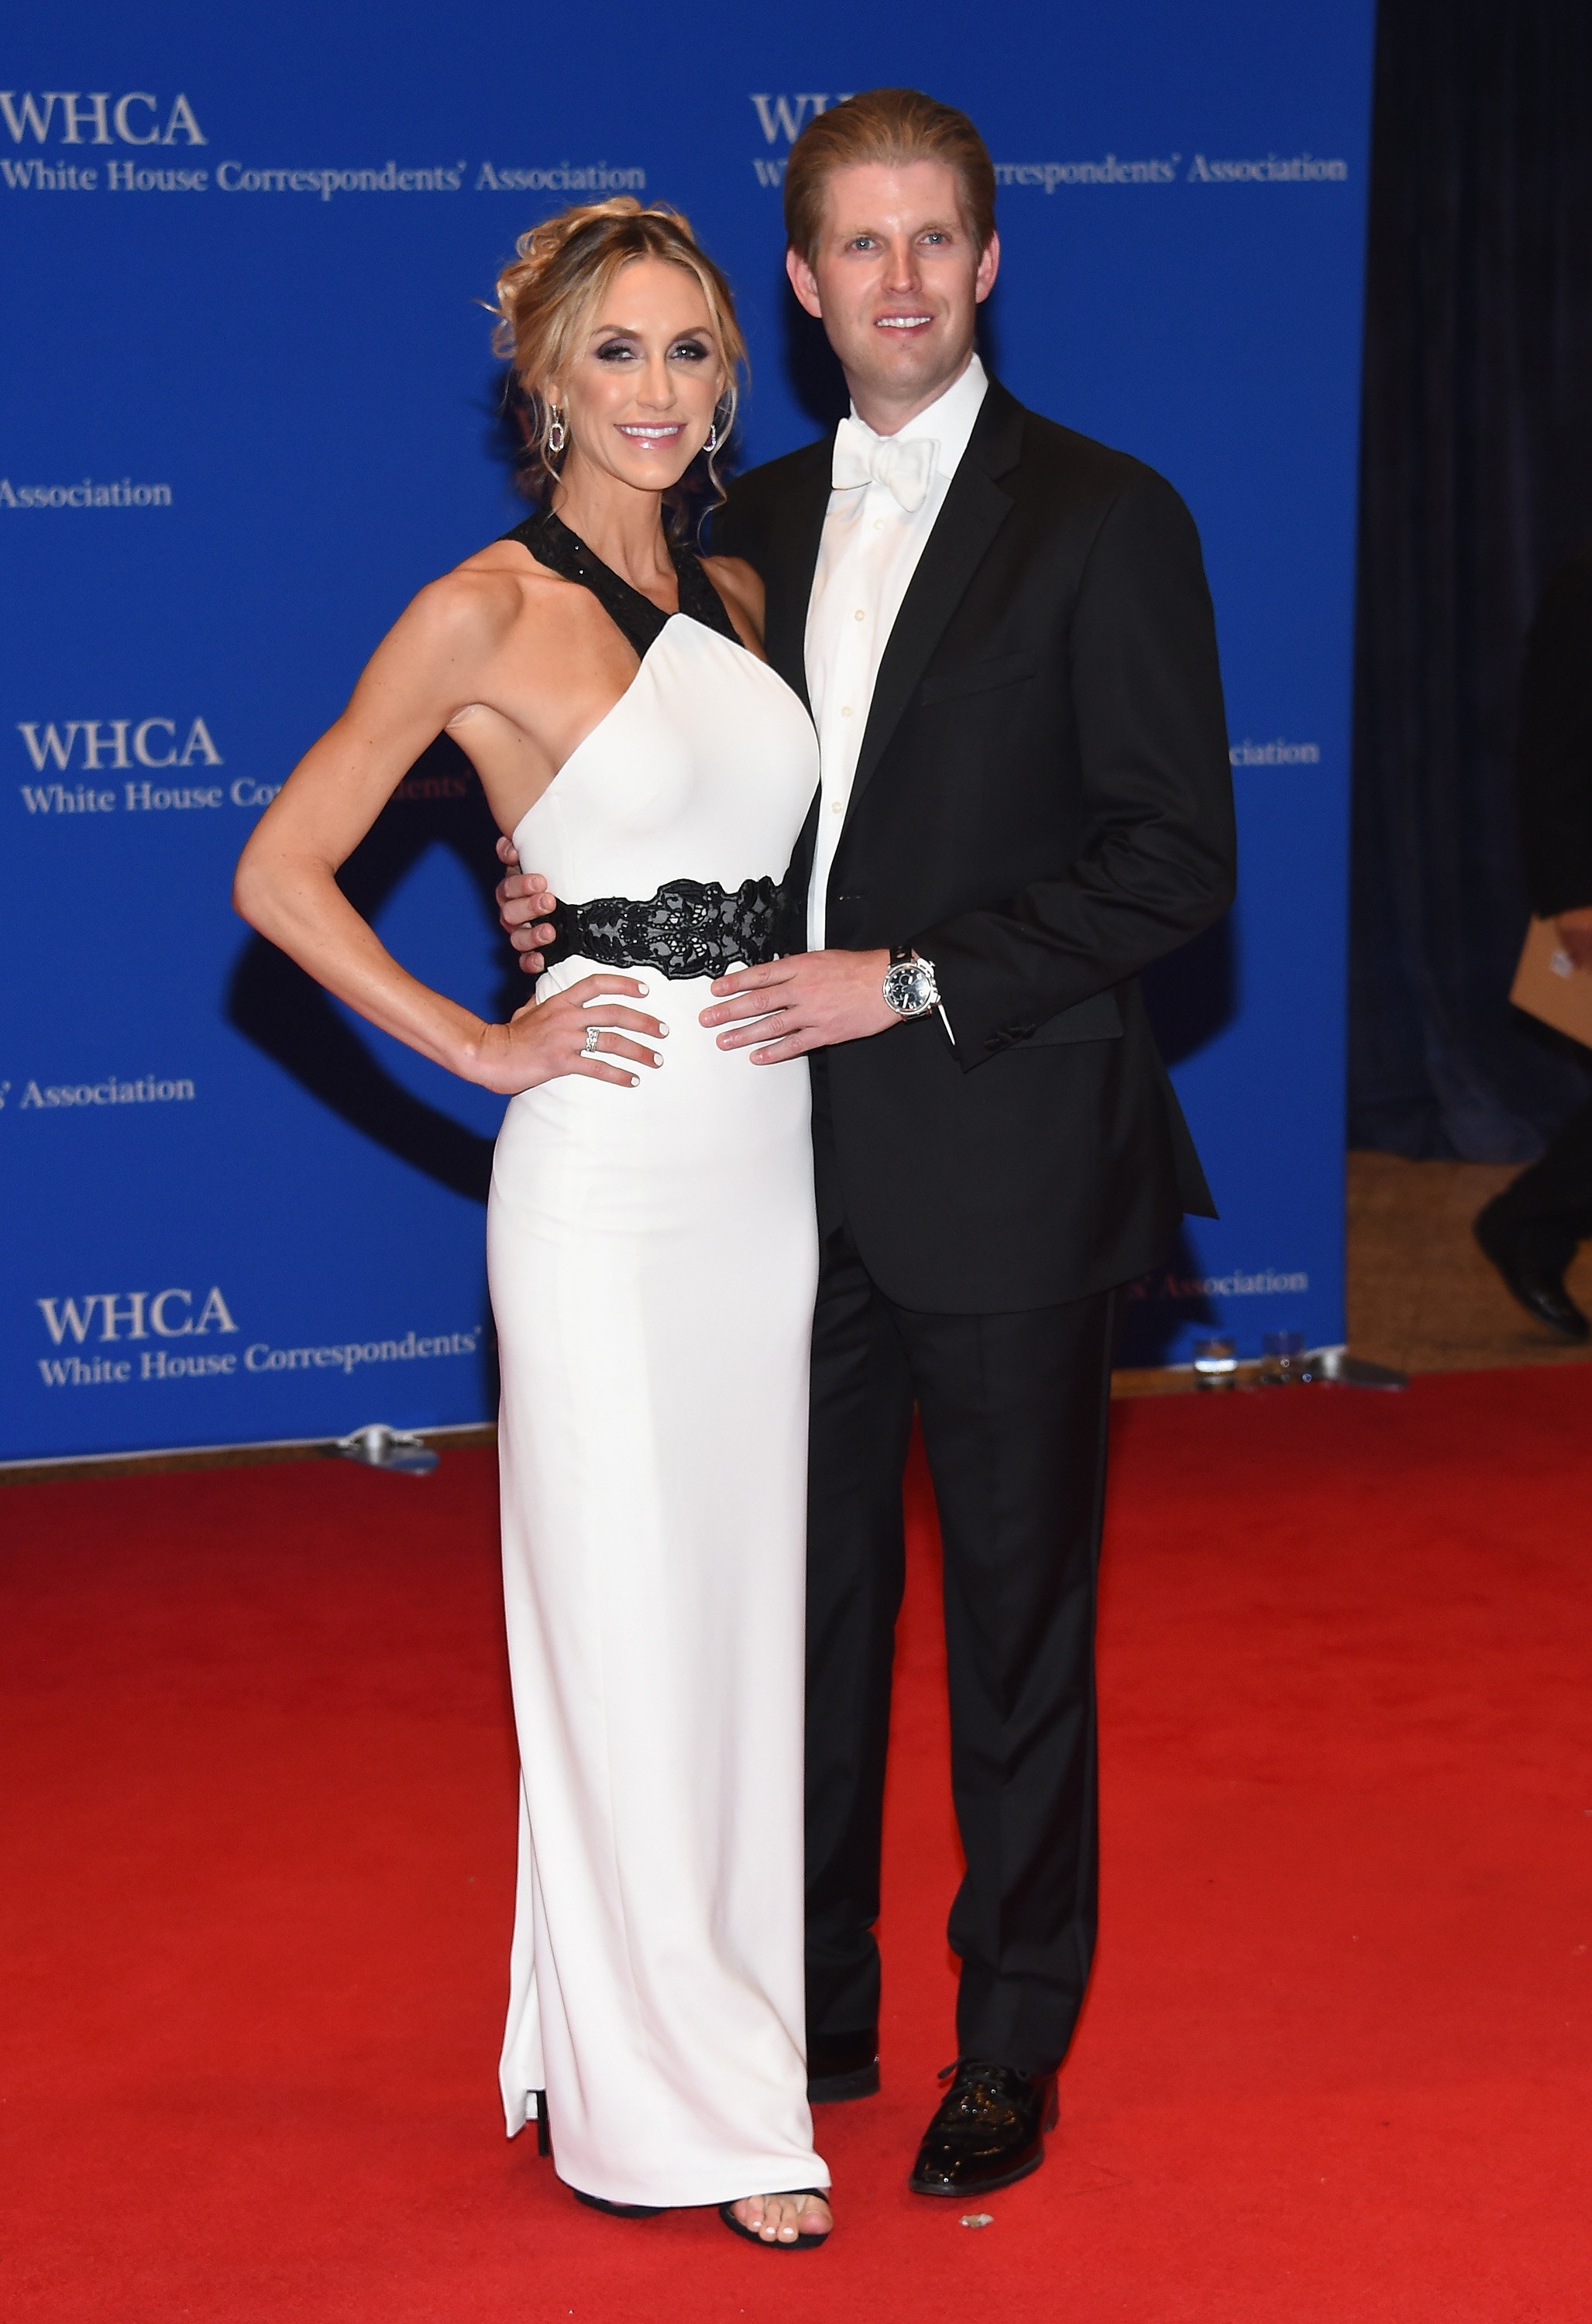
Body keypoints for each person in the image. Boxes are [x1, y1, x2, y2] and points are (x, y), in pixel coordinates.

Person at [498, 89, 1236, 2199]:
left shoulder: (1109, 514)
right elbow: (666, 803)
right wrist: (555, 898)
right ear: (800, 288)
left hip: (1000, 1156)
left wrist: (909, 974)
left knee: (1011, 1637)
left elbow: (1176, 854)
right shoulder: (740, 536)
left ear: (984, 266)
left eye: (936, 239)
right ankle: (795, 2012)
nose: (898, 277)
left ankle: (1005, 2038)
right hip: (747, 1182)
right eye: (855, 246)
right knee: (784, 1621)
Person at [232, 200, 833, 2248]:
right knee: (613, 1627)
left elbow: (759, 858)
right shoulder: (473, 613)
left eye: (687, 354)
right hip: (597, 1179)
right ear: (541, 377)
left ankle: (704, 2036)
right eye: (615, 354)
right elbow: (283, 874)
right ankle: (681, 2118)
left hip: (765, 1157)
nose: (655, 393)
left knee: (735, 1621)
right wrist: (478, 1046)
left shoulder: (745, 598)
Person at [1475, 547, 1592, 1340]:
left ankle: (1531, 1226)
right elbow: (1551, 759)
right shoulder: (1584, 588)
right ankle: (1529, 1223)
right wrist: (1572, 901)